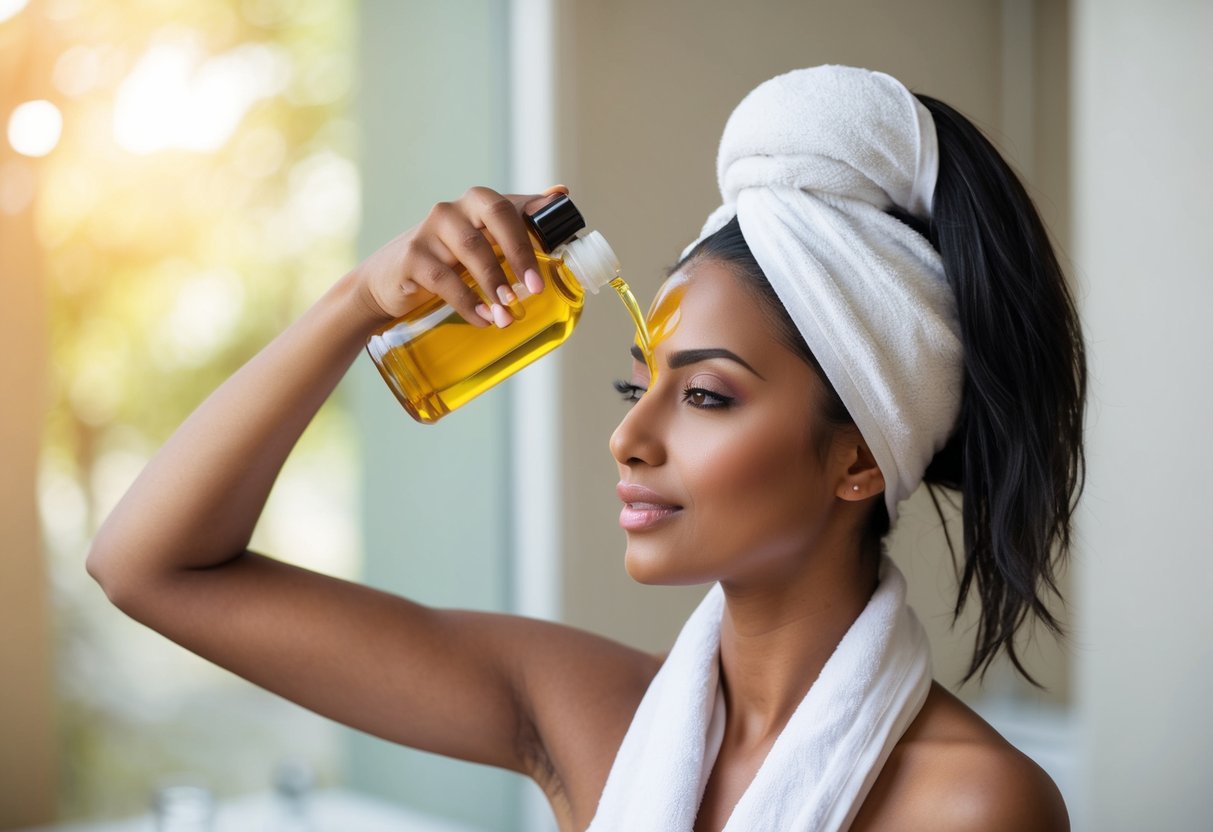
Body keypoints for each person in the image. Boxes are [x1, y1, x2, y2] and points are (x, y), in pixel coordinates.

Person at [88, 66, 1084, 831]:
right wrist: (358, 300)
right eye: (635, 383)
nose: (628, 435)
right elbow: (148, 566)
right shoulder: (588, 712)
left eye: (702, 394)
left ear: (857, 458)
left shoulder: (974, 803)